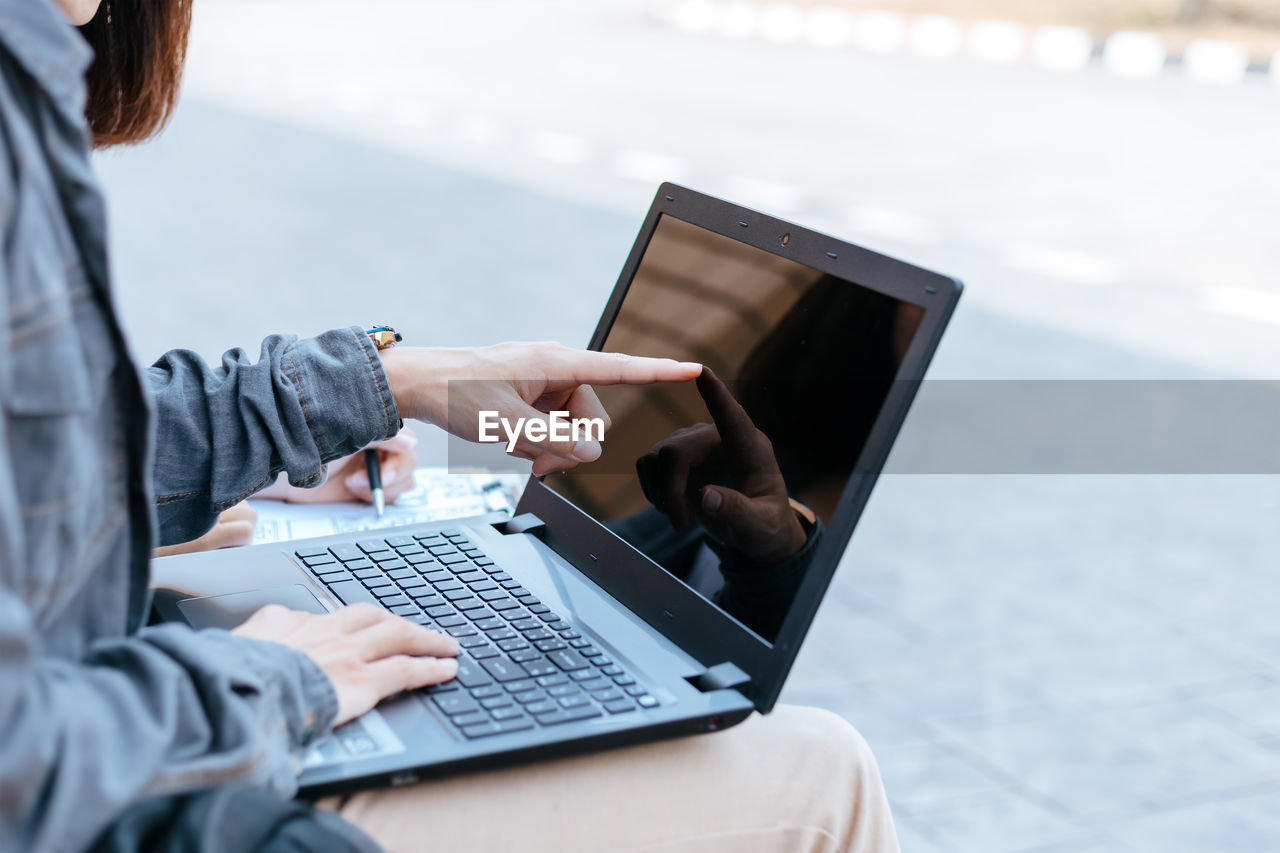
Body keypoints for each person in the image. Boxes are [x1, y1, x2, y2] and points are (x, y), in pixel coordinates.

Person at [0, 0, 902, 850]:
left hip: (128, 714)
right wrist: (264, 683)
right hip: (148, 793)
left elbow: (45, 442)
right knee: (823, 769)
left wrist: (386, 383)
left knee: (413, 556)